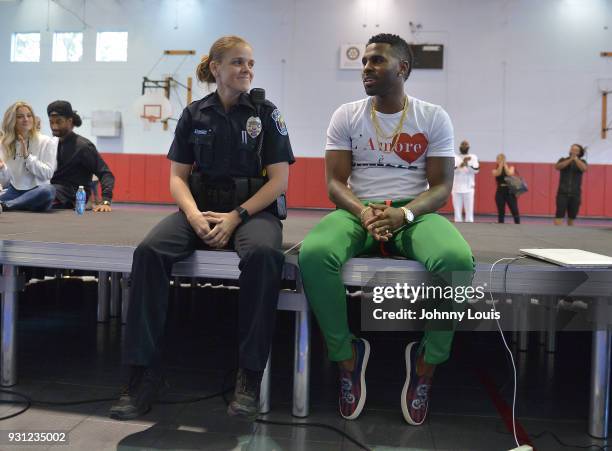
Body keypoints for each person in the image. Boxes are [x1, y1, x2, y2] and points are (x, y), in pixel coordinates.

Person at [108, 35, 294, 421]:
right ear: (216, 68)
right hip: (200, 208)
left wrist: (236, 217)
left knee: (263, 255)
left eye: (250, 63)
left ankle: (249, 374)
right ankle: (142, 374)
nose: (247, 70)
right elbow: (177, 177)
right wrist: (192, 215)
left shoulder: (266, 113)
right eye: (238, 62)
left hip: (251, 212)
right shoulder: (195, 113)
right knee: (149, 252)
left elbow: (278, 181)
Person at [298, 33, 474, 425]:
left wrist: (405, 215)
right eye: (364, 61)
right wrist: (364, 214)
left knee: (457, 260)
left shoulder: (432, 117)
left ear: (403, 68)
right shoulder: (346, 115)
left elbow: (442, 187)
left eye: (377, 61)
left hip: (414, 214)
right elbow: (335, 184)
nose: (367, 68)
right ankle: (347, 358)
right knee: (314, 254)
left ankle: (426, 363)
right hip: (358, 212)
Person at [47, 101, 115, 212]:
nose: (54, 126)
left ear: (69, 121)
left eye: (59, 122)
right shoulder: (50, 143)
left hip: (73, 195)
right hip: (52, 190)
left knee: (45, 191)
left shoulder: (83, 146)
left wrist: (106, 201)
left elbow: (105, 173)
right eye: (51, 122)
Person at [0, 101, 57, 212]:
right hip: (14, 191)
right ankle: (20, 204)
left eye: (29, 115)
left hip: (37, 191)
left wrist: (28, 157)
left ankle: (6, 206)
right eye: (20, 117)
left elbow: (48, 174)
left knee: (48, 190)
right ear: (12, 120)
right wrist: (2, 168)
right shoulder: (6, 143)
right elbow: (6, 181)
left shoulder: (46, 141)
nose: (26, 119)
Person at [554, 144, 587, 226]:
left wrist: (575, 160)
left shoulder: (582, 161)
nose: (573, 151)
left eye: (576, 150)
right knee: (559, 214)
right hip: (562, 193)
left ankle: (570, 234)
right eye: (572, 149)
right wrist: (570, 159)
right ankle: (556, 233)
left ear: (579, 152)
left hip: (575, 194)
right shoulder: (563, 159)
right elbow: (558, 167)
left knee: (572, 216)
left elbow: (584, 168)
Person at [452, 140, 479, 222]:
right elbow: (452, 170)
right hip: (456, 188)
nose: (464, 146)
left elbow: (476, 170)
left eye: (466, 144)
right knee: (457, 213)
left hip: (469, 188)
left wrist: (467, 164)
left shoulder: (473, 157)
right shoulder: (455, 157)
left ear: (468, 147)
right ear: (460, 146)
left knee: (469, 213)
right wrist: (462, 164)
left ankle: (470, 226)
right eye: (462, 144)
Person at [492, 153, 520, 224]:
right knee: (501, 212)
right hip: (500, 192)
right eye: (498, 159)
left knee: (514, 210)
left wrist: (505, 165)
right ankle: (501, 225)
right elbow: (497, 173)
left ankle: (518, 224)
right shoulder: (494, 170)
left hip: (509, 192)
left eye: (501, 159)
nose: (499, 160)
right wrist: (501, 165)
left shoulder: (511, 167)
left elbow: (509, 173)